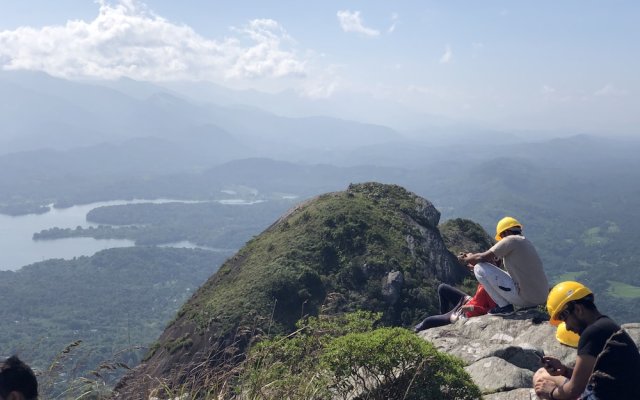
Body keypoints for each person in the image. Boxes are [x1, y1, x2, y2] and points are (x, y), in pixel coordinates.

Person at [533, 281, 640, 400]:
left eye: (564, 318)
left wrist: (551, 392)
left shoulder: (591, 333)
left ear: (578, 309)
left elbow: (574, 389)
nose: (567, 327)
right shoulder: (606, 326)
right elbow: (590, 376)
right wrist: (564, 370)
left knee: (542, 376)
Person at [457, 216, 549, 315]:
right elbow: (492, 264)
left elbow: (481, 258)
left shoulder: (510, 239)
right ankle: (507, 306)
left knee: (479, 268)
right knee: (480, 267)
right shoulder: (525, 241)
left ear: (506, 232)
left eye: (501, 236)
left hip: (526, 298)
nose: (501, 240)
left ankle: (504, 307)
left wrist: (466, 259)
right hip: (539, 297)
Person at [413, 283, 496, 332]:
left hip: (464, 313)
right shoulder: (487, 276)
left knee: (427, 321)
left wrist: (472, 308)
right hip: (467, 300)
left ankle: (415, 330)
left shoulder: (494, 286)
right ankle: (443, 318)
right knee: (442, 288)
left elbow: (493, 310)